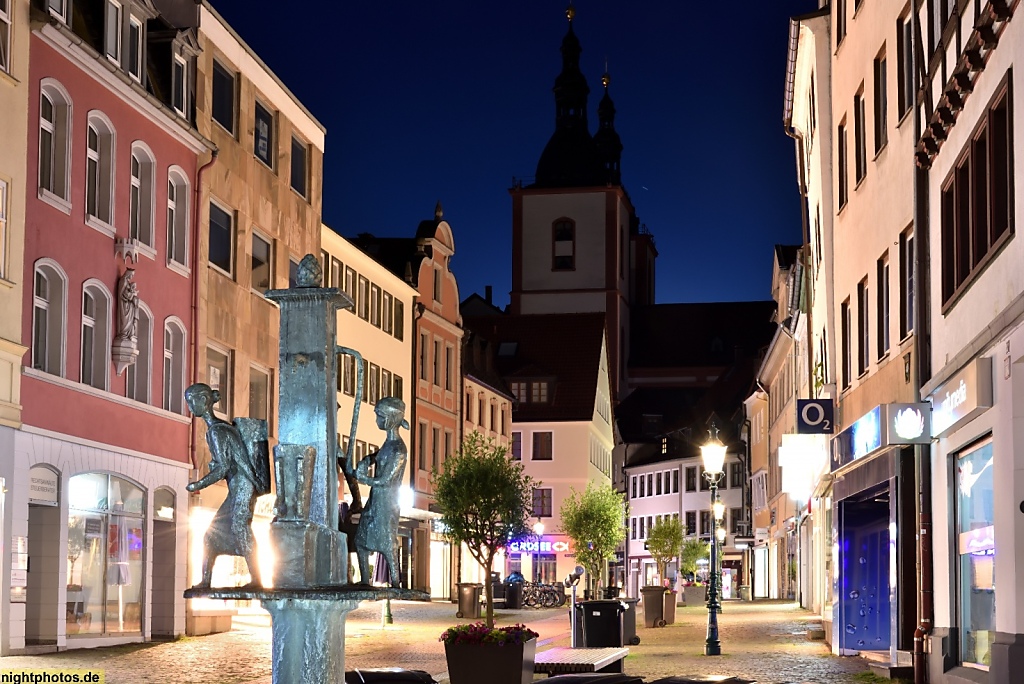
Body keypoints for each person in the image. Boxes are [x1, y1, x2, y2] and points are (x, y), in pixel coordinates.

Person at [185, 383, 270, 589]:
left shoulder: (217, 431)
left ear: (204, 401)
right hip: (238, 485)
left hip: (242, 486)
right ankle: (206, 581)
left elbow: (223, 467)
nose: (189, 406)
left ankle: (257, 580)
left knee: (240, 529)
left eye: (191, 400)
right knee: (211, 535)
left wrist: (199, 483)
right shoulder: (216, 430)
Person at [346, 397, 408, 587]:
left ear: (390, 419)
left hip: (386, 502)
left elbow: (385, 480)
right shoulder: (388, 445)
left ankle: (396, 582)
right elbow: (378, 457)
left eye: (379, 416)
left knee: (387, 542)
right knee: (361, 540)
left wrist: (362, 478)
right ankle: (365, 580)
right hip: (375, 500)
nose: (377, 421)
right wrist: (367, 460)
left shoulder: (399, 449)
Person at [116, 269, 139, 343]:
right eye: (131, 275)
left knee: (129, 321)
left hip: (129, 306)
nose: (132, 276)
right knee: (124, 321)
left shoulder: (127, 282)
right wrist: (132, 295)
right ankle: (123, 334)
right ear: (128, 274)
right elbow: (122, 294)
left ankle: (127, 334)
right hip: (124, 305)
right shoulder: (123, 281)